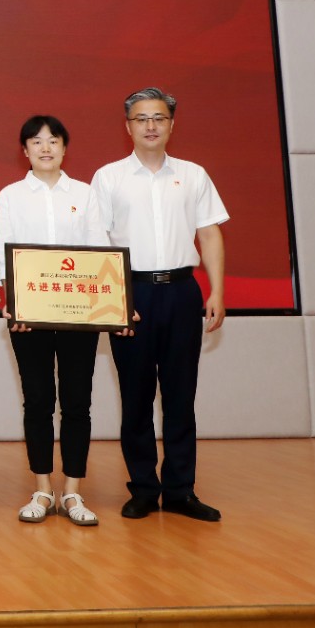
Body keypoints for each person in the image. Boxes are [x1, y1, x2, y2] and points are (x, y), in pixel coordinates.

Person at [90, 87, 228, 522]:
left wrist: (217, 291)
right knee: (135, 397)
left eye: (159, 118)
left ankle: (181, 491)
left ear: (172, 125)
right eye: (141, 118)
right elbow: (97, 243)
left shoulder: (193, 175)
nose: (150, 126)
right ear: (127, 126)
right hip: (132, 293)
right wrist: (116, 298)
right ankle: (144, 489)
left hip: (182, 292)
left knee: (181, 396)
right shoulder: (108, 177)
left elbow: (209, 234)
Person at [0, 115, 108, 527]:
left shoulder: (85, 193)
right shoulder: (11, 195)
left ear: (64, 148)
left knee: (77, 402)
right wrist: (15, 304)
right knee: (38, 401)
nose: (45, 148)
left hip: (80, 314)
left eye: (53, 140)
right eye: (37, 141)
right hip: (30, 317)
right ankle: (42, 488)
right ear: (24, 150)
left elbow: (99, 251)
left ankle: (73, 490)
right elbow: (4, 253)